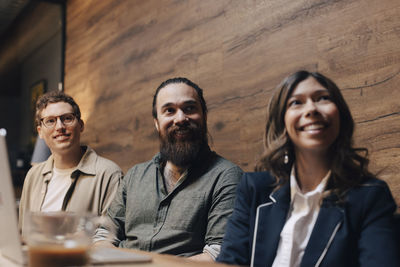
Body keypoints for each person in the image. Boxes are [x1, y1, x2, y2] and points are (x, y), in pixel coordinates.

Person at [217, 71, 400, 266]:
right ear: (282, 122)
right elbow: (229, 263)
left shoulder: (371, 197)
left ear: (341, 115)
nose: (311, 109)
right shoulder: (254, 189)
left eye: (323, 98)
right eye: (296, 102)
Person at [94, 77, 242, 261]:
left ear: (204, 116)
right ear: (156, 122)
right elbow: (104, 235)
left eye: (189, 108)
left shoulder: (226, 176)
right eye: (169, 110)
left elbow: (217, 253)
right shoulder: (135, 175)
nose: (180, 118)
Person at [19, 91, 123, 236]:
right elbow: (23, 232)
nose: (59, 127)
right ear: (40, 132)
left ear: (80, 125)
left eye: (67, 118)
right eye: (50, 121)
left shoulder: (109, 174)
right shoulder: (33, 176)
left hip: (81, 258)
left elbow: (109, 236)